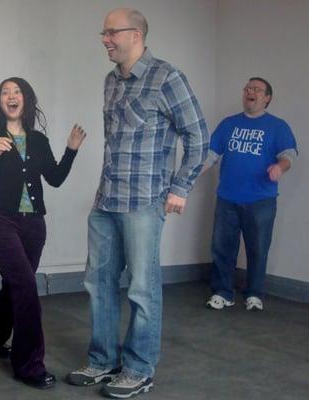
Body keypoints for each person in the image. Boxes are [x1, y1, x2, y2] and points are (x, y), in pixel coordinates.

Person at [66, 8, 208, 399]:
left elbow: (199, 137)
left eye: (111, 32)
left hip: (144, 202)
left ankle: (139, 369)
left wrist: (180, 187)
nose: (105, 39)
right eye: (103, 33)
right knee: (99, 284)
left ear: (136, 34)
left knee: (142, 289)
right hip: (106, 200)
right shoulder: (111, 82)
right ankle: (102, 360)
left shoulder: (168, 78)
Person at [0, 77, 86, 389]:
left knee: (14, 285)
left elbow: (56, 178)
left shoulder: (37, 141)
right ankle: (28, 365)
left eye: (17, 91)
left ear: (26, 100)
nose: (11, 96)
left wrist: (71, 151)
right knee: (26, 287)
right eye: (5, 92)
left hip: (34, 223)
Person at [205, 77, 297, 311]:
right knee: (222, 247)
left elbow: (289, 154)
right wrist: (189, 174)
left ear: (267, 98)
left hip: (261, 200)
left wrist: (280, 167)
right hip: (228, 197)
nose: (250, 92)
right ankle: (223, 292)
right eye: (247, 88)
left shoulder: (277, 126)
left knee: (258, 248)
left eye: (257, 89)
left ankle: (254, 294)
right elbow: (211, 155)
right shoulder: (228, 124)